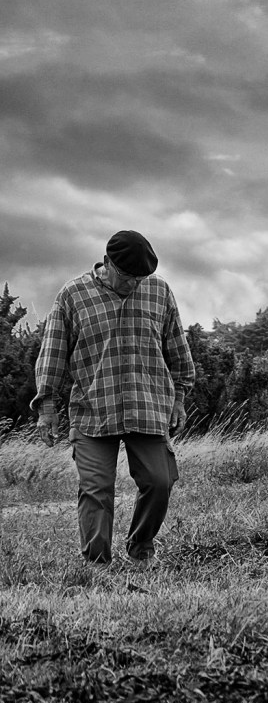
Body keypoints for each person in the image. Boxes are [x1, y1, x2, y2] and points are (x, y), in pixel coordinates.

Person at [32, 231, 195, 566]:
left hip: (147, 405)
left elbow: (178, 350)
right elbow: (52, 353)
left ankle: (140, 547)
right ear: (107, 263)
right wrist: (46, 407)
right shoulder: (73, 295)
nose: (134, 285)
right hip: (93, 408)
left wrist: (179, 397)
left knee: (159, 481)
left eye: (140, 279)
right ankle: (97, 564)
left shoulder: (160, 291)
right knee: (96, 489)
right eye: (127, 278)